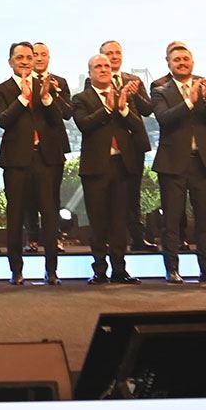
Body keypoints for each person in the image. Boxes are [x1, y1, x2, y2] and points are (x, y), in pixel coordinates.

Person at [0, 42, 71, 285]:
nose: (25, 61)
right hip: (16, 160)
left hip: (47, 159)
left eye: (28, 57)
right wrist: (23, 98)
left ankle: (51, 271)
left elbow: (59, 119)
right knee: (15, 216)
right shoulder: (1, 90)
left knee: (50, 215)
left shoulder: (46, 85)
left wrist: (46, 98)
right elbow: (4, 120)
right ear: (10, 62)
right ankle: (16, 270)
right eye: (19, 57)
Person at [151, 43, 206, 284]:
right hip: (172, 163)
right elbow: (164, 118)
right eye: (177, 60)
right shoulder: (160, 90)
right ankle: (172, 269)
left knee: (205, 219)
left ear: (192, 61)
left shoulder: (203, 85)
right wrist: (189, 102)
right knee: (172, 220)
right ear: (168, 63)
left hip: (203, 163)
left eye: (186, 59)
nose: (182, 63)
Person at [71, 55, 145, 285]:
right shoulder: (81, 98)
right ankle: (100, 270)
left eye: (107, 66)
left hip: (122, 166)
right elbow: (84, 124)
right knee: (98, 222)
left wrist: (123, 109)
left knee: (119, 221)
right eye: (98, 66)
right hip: (95, 168)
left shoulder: (124, 96)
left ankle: (120, 270)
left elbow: (137, 125)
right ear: (90, 73)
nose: (104, 69)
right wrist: (107, 108)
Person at [99, 39, 156, 250]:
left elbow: (148, 109)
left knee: (133, 193)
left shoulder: (134, 80)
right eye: (109, 53)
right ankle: (111, 239)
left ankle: (137, 238)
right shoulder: (93, 80)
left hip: (133, 146)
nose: (114, 57)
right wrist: (121, 94)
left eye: (117, 53)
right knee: (108, 194)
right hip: (109, 146)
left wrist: (134, 94)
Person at [28, 42, 70, 253]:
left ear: (49, 58)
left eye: (43, 54)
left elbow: (67, 113)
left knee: (53, 196)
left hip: (53, 147)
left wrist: (55, 93)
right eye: (35, 54)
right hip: (27, 147)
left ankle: (54, 237)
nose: (39, 58)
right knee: (28, 197)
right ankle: (32, 237)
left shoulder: (59, 82)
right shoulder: (22, 82)